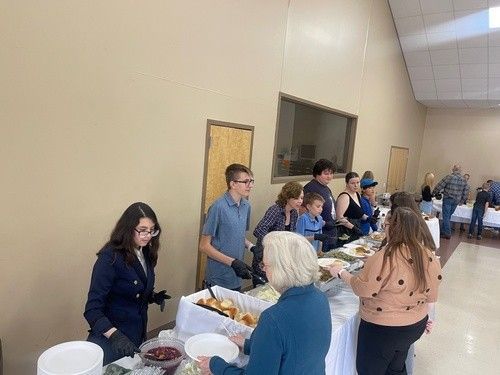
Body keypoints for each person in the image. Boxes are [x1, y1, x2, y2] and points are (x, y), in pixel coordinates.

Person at [199, 232, 332, 375]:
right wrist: (251, 345)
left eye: (265, 264)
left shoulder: (273, 318)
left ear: (281, 270)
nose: (263, 269)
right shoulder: (320, 298)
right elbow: (295, 348)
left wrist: (216, 366)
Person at [329, 207, 442, 375]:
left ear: (392, 227)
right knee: (396, 368)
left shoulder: (385, 255)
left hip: (383, 329)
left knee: (370, 370)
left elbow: (363, 289)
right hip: (414, 325)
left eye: (386, 223)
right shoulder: (427, 254)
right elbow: (432, 293)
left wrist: (340, 273)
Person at [84, 202, 170, 365]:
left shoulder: (145, 251)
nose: (148, 236)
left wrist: (152, 296)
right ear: (128, 228)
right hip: (111, 338)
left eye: (152, 230)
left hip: (136, 332)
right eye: (142, 230)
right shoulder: (109, 258)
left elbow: (130, 287)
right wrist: (115, 336)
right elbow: (92, 310)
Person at [199, 164, 255, 291]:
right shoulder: (218, 207)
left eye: (251, 181)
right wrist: (232, 262)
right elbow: (204, 246)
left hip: (236, 276)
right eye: (246, 182)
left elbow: (237, 235)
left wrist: (252, 247)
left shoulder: (246, 206)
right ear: (233, 184)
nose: (250, 185)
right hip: (218, 277)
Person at [251, 181, 304, 286]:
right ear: (288, 197)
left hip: (280, 259)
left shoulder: (294, 213)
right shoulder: (275, 210)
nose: (300, 201)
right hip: (266, 257)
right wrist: (274, 242)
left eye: (301, 198)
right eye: (296, 198)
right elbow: (258, 230)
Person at [302, 159, 341, 250]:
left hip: (330, 233)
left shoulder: (325, 187)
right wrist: (323, 223)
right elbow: (304, 212)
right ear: (317, 173)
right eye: (326, 173)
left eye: (331, 173)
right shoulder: (310, 188)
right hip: (319, 236)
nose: (329, 176)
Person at [432, 165, 469, 239]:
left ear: (453, 169)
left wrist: (434, 192)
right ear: (460, 170)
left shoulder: (449, 177)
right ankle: (442, 231)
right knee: (448, 216)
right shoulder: (464, 179)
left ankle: (448, 233)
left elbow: (440, 185)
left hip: (448, 199)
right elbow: (466, 191)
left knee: (446, 216)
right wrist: (462, 200)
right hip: (456, 201)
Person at [336, 172, 366, 241]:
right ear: (347, 184)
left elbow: (358, 212)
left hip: (356, 227)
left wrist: (369, 218)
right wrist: (353, 228)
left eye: (358, 182)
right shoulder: (344, 196)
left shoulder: (357, 194)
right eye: (352, 183)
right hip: (346, 231)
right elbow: (339, 218)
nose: (356, 185)